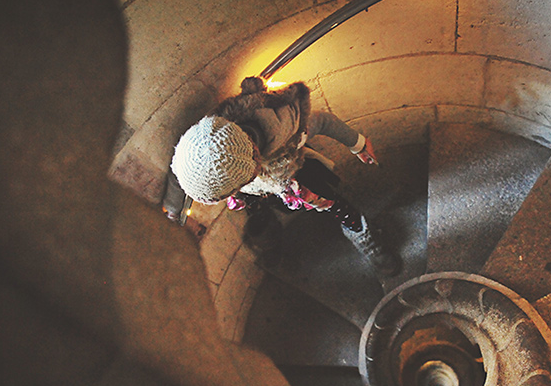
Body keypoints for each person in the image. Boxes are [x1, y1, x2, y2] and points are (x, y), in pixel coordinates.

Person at [166, 76, 400, 277]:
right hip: (263, 190)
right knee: (268, 212)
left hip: (298, 178)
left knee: (335, 205)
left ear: (255, 163)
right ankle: (270, 231)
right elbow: (180, 175)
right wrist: (173, 212)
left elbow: (323, 121)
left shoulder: (286, 131)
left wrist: (358, 144)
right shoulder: (202, 144)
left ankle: (367, 241)